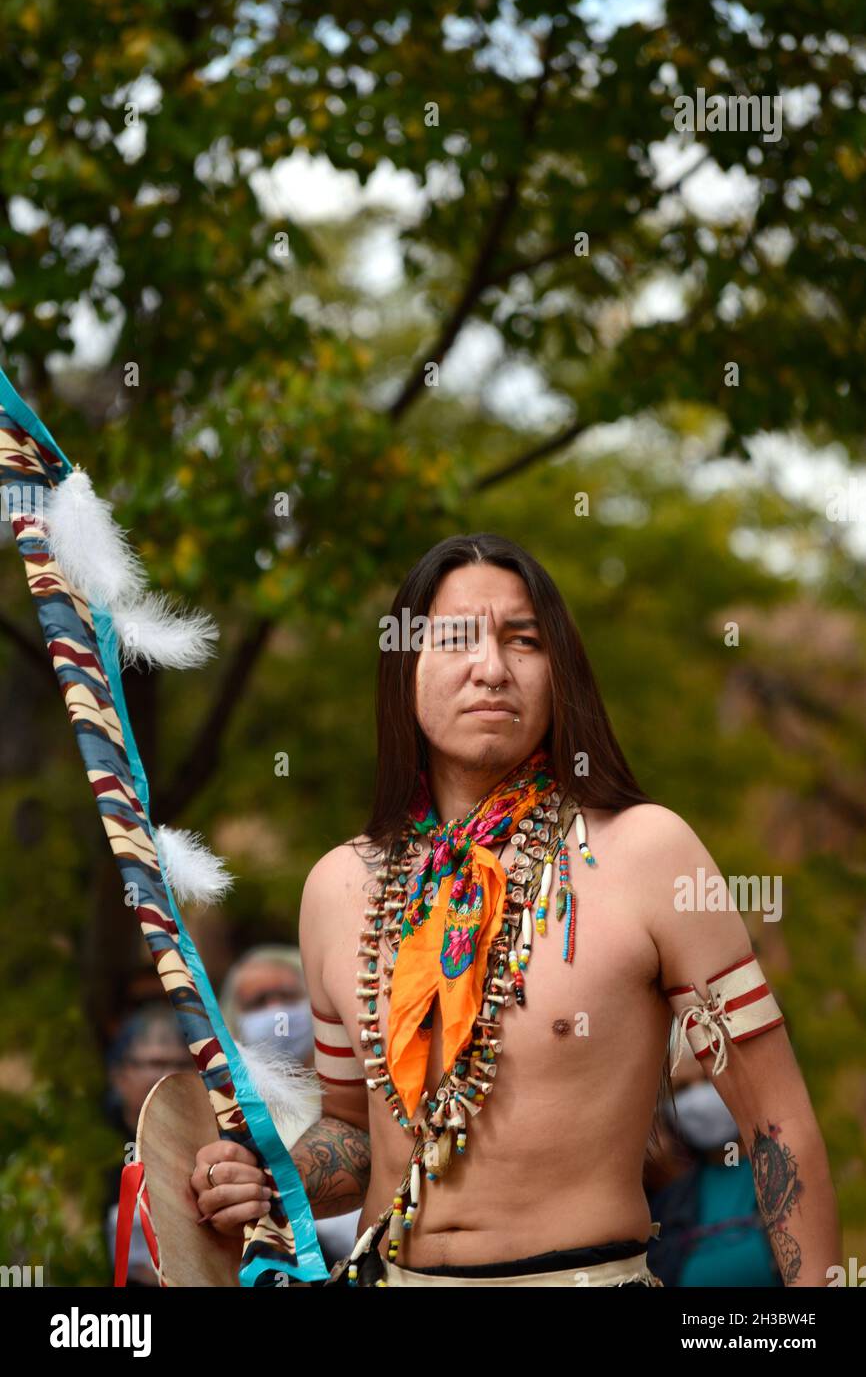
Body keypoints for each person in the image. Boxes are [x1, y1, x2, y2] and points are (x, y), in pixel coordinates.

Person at [191, 533, 841, 1288]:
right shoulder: (339, 887)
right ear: (406, 670)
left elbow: (776, 1126)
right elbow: (356, 1133)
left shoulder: (647, 853)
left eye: (523, 641)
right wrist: (268, 1177)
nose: (491, 669)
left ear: (558, 671)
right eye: (457, 639)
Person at [220, 944, 363, 1268]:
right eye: (258, 1003)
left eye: (286, 996)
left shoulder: (360, 1099)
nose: (275, 1011)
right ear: (233, 1018)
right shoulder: (225, 1110)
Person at [646, 1029, 784, 1286]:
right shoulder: (664, 1206)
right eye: (683, 1087)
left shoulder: (786, 1175)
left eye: (709, 1079)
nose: (700, 1099)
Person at [104, 1002, 192, 1285]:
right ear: (120, 1077)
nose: (166, 1075)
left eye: (179, 1064)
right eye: (154, 1063)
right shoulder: (91, 1153)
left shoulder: (217, 1147)